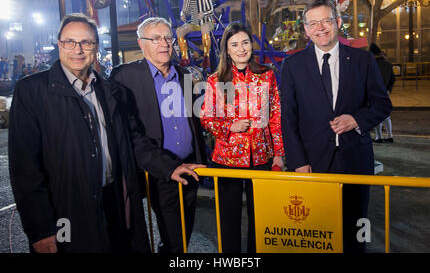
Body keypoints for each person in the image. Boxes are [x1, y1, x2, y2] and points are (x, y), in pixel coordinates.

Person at [8, 13, 151, 253]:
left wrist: (171, 166)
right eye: (70, 42)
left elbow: (133, 140)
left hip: (113, 200)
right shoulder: (31, 91)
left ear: (95, 47)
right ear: (59, 43)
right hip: (66, 208)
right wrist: (41, 229)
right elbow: (25, 168)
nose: (78, 49)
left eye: (86, 42)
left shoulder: (111, 91)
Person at [280, 0, 392, 252]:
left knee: (355, 232)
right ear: (306, 30)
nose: (321, 28)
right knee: (319, 231)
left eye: (326, 20)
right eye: (313, 23)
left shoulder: (363, 61)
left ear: (338, 23)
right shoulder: (293, 66)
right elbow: (288, 118)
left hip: (355, 159)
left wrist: (356, 120)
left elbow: (382, 105)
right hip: (313, 162)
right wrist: (297, 162)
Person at [110, 17, 207, 253]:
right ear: (141, 43)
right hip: (160, 172)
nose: (164, 44)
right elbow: (126, 131)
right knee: (174, 240)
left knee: (183, 237)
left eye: (167, 38)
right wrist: (163, 166)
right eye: (155, 39)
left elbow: (194, 120)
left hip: (191, 166)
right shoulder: (124, 77)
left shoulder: (184, 75)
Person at [200, 22, 285, 253]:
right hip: (227, 160)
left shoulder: (267, 75)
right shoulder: (215, 80)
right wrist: (230, 126)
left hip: (262, 158)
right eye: (234, 44)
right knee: (228, 220)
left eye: (245, 42)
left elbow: (276, 116)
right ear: (226, 50)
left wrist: (279, 154)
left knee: (261, 217)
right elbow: (206, 118)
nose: (241, 48)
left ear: (252, 45)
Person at [177, 0, 214, 68]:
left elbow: (211, 10)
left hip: (207, 22)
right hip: (194, 23)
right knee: (180, 31)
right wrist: (183, 15)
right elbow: (184, 10)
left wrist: (204, 13)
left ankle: (206, 56)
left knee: (205, 28)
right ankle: (185, 58)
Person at [369, 43, 396, 143]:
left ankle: (378, 137)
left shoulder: (372, 64)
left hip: (374, 92)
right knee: (386, 115)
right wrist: (389, 89)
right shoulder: (388, 64)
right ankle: (390, 136)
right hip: (385, 92)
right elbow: (393, 79)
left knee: (376, 114)